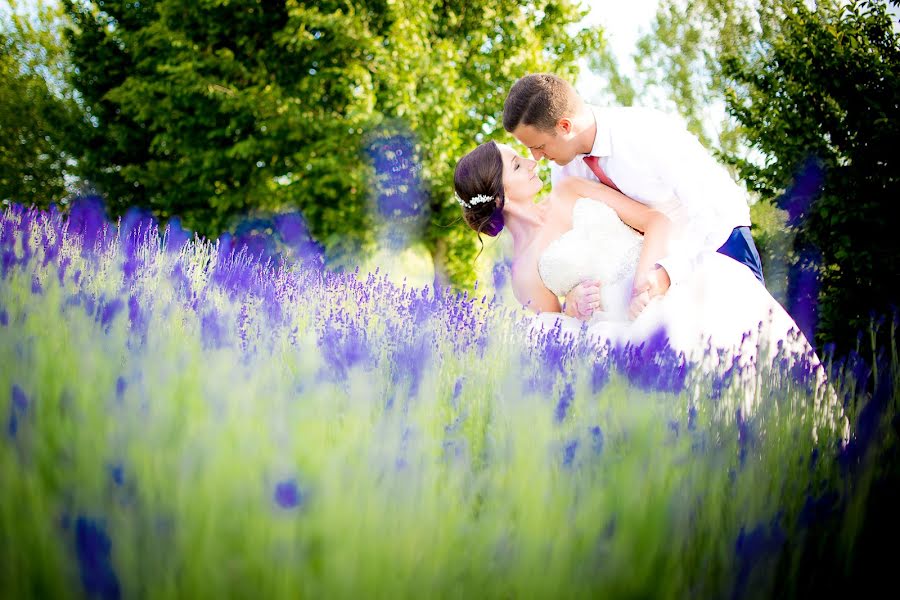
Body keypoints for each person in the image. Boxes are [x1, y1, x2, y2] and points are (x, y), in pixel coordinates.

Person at [452, 140, 822, 375]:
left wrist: (645, 287)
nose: (532, 163)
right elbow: (558, 340)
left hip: (666, 287)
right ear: (500, 196)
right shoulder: (522, 273)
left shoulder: (569, 190)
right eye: (517, 165)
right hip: (624, 335)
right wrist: (571, 309)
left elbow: (655, 221)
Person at [502, 73, 765, 321]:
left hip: (718, 242)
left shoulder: (645, 132)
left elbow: (710, 213)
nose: (536, 158)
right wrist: (574, 296)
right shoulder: (563, 167)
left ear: (565, 126)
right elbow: (578, 244)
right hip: (646, 281)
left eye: (539, 147)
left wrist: (668, 273)